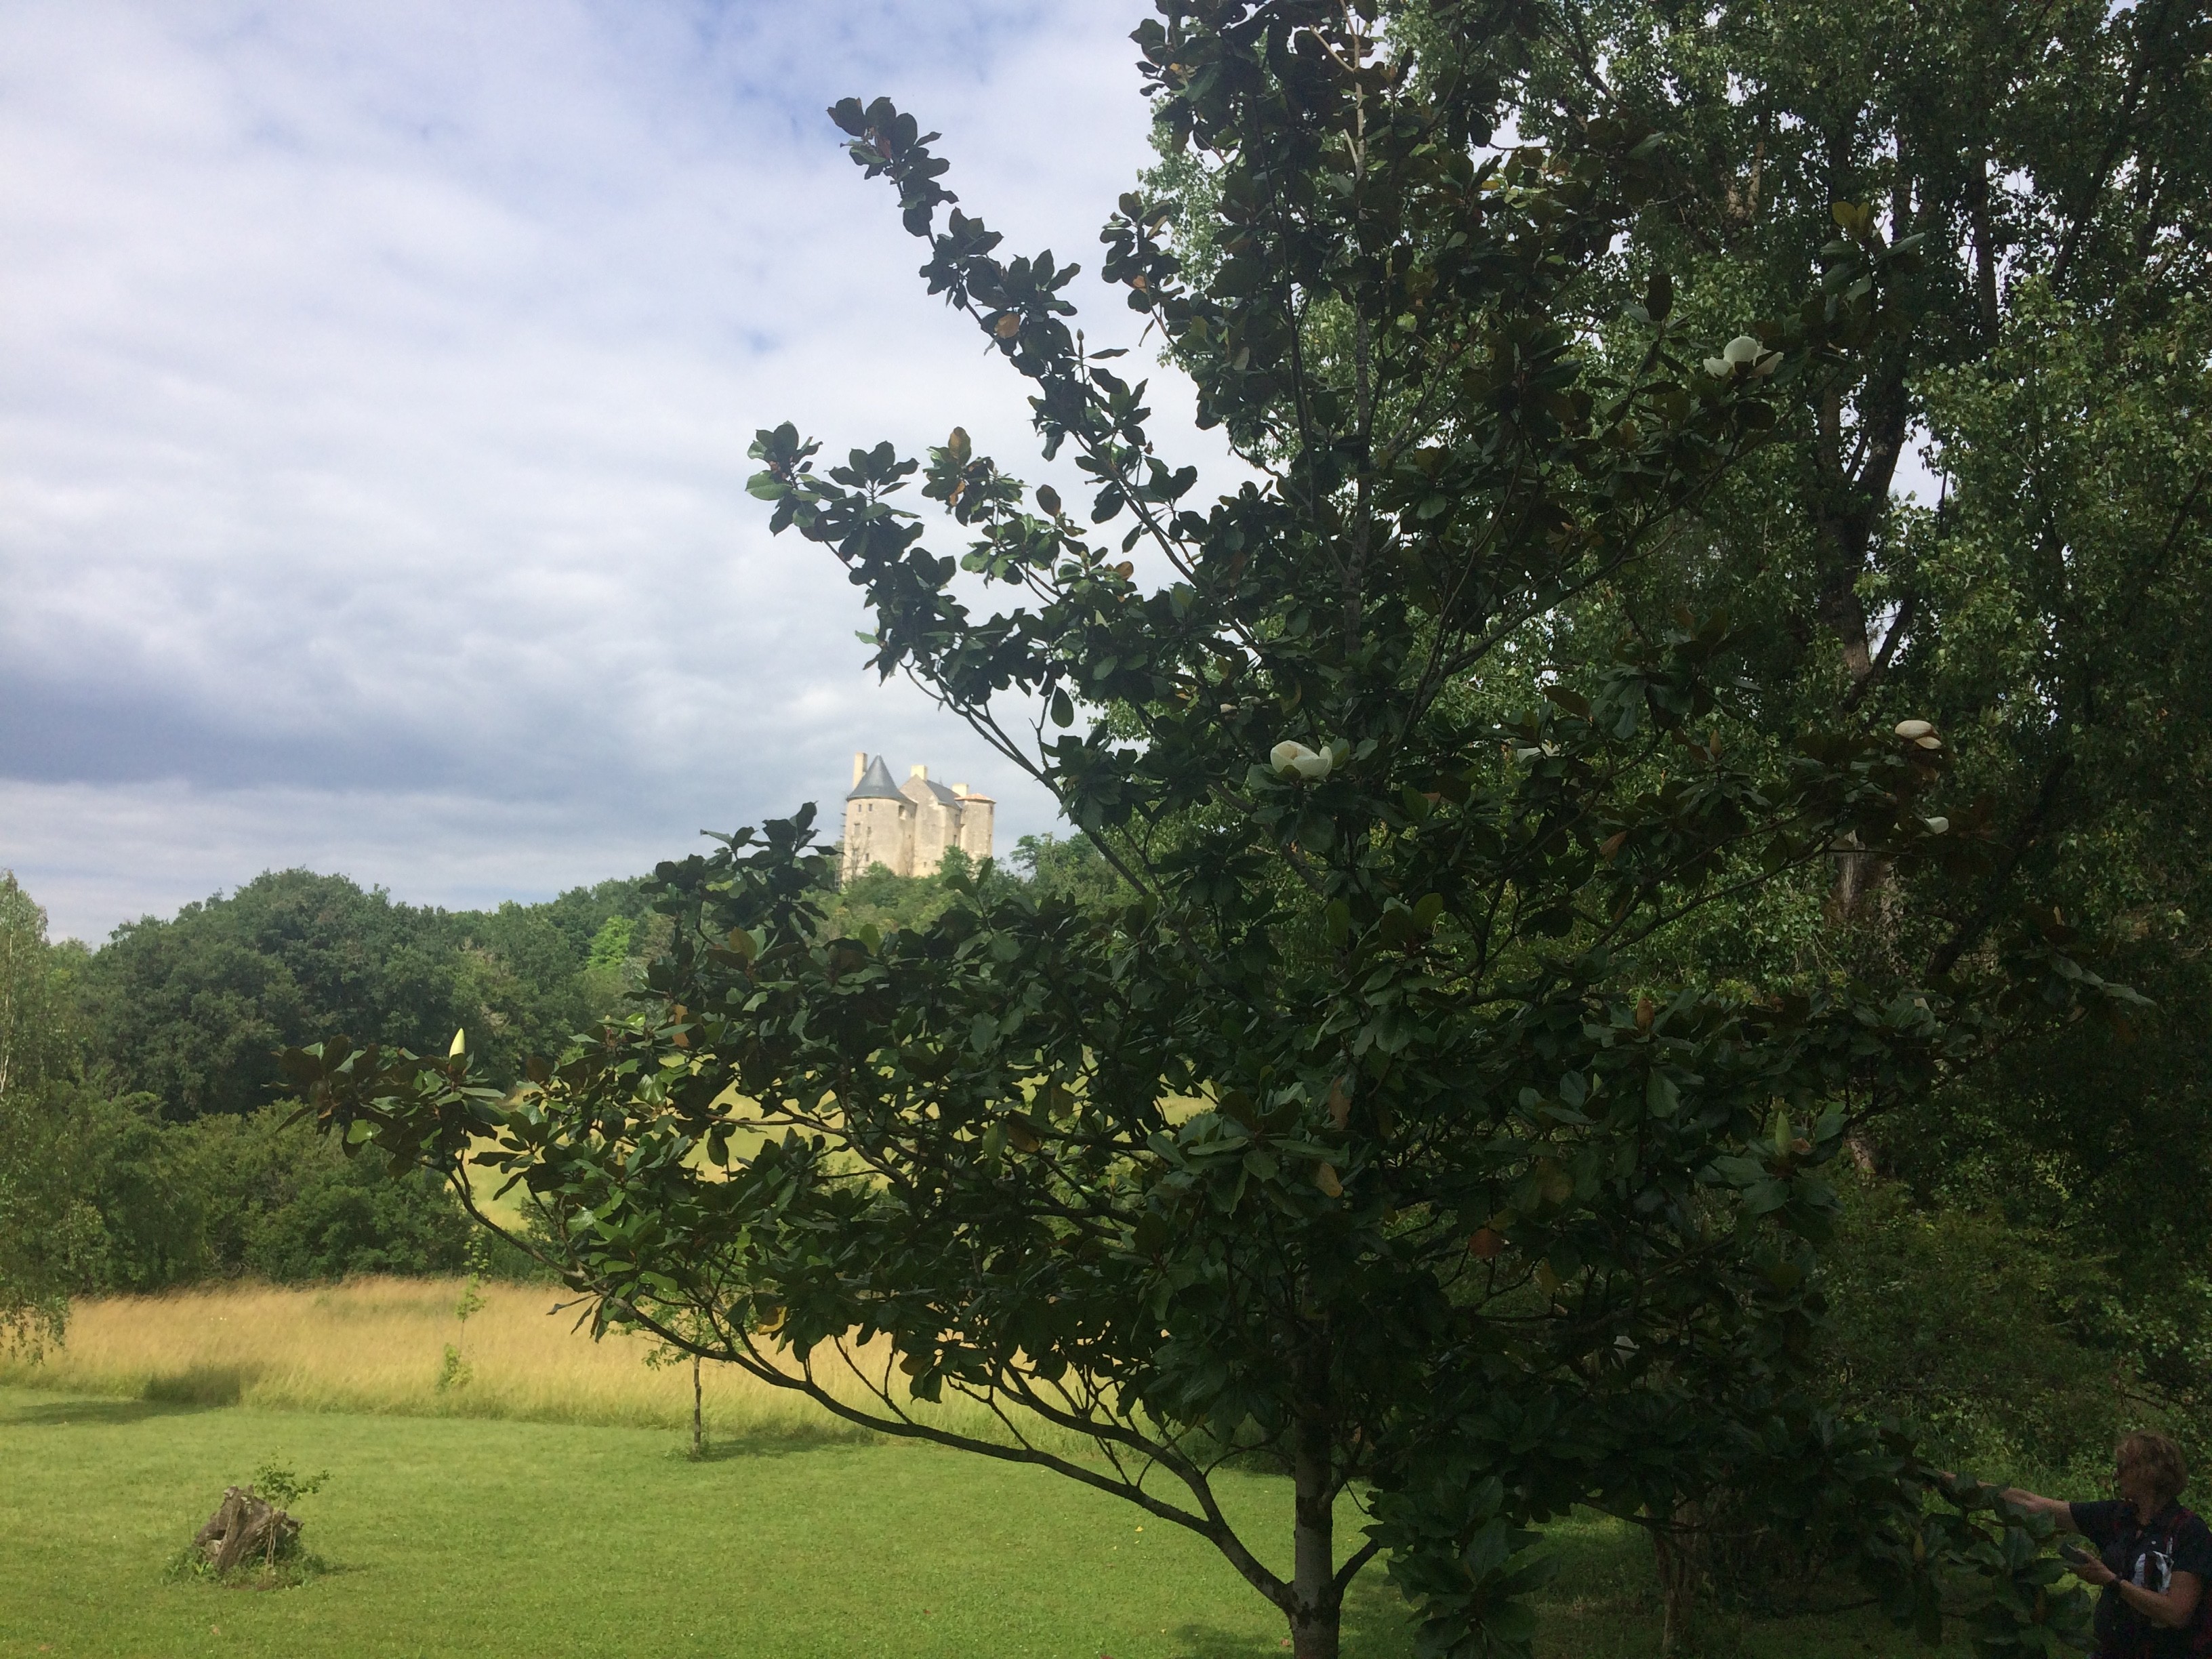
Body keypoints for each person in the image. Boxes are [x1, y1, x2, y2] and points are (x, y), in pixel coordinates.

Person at [2003, 1432, 2212, 1659]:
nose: (2116, 1474)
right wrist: (1973, 1488)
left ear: (2147, 1472)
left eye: (2123, 1467)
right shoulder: (2117, 1517)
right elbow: (2035, 1505)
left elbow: (2177, 1613)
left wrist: (2111, 1581)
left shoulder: (2189, 1532)